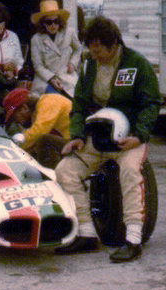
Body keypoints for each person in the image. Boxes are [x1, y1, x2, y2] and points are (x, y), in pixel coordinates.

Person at [53, 16, 161, 262]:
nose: (94, 53)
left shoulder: (137, 64)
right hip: (98, 136)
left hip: (128, 139)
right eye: (90, 47)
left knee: (131, 174)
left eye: (99, 47)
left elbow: (151, 104)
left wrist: (139, 135)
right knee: (65, 170)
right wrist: (78, 135)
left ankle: (133, 239)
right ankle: (87, 233)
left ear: (114, 44)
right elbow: (78, 105)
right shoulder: (90, 66)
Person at [3, 88, 71, 169]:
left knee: (45, 141)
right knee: (33, 151)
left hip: (81, 141)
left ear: (24, 108)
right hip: (72, 142)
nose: (16, 122)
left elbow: (40, 130)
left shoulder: (49, 101)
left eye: (14, 117)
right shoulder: (37, 114)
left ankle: (53, 178)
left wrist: (15, 146)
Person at [30, 0, 82, 98]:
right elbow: (38, 66)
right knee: (51, 101)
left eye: (56, 21)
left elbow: (78, 49)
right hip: (45, 79)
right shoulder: (36, 39)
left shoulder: (69, 33)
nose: (53, 25)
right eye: (49, 22)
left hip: (66, 76)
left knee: (73, 100)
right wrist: (52, 78)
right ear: (43, 23)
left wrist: (73, 63)